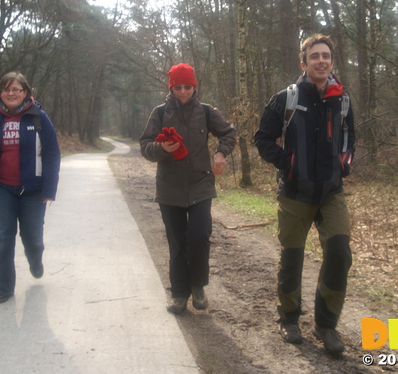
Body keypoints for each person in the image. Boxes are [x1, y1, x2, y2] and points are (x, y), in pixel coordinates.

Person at [253, 34, 355, 353]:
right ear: (304, 63)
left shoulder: (343, 101)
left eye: (326, 56)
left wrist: (344, 164)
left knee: (339, 253)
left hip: (331, 192)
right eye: (315, 56)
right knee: (292, 257)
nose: (321, 61)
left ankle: (327, 325)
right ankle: (289, 318)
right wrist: (290, 163)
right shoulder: (287, 98)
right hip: (295, 191)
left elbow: (350, 141)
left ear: (331, 62)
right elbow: (263, 139)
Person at [140, 63, 237, 315]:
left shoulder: (205, 112)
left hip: (200, 186)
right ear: (171, 88)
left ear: (195, 87)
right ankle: (179, 295)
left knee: (198, 236)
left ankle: (198, 286)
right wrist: (162, 150)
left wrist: (220, 153)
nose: (183, 92)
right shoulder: (160, 113)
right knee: (177, 243)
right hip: (169, 188)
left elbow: (228, 133)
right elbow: (145, 147)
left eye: (187, 87)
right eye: (178, 87)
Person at [0, 72, 61, 304]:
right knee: (3, 238)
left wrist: (49, 189)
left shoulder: (38, 118)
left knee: (33, 238)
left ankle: (35, 260)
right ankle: (3, 288)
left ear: (26, 93)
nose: (11, 93)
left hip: (33, 191)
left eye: (16, 89)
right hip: (1, 189)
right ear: (0, 92)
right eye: (6, 89)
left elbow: (52, 154)